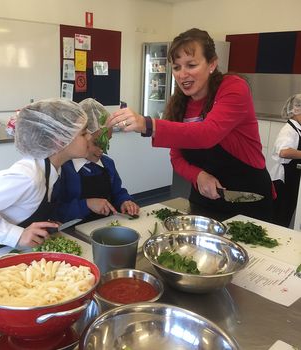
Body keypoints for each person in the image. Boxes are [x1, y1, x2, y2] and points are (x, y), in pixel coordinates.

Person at [107, 28, 274, 222]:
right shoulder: (180, 104)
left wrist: (147, 124)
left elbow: (207, 133)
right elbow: (176, 158)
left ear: (212, 64)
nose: (182, 74)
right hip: (204, 199)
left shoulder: (233, 87)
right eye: (177, 67)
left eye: (191, 65)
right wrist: (198, 175)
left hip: (248, 199)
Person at [0, 99, 90, 257]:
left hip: (13, 252)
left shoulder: (53, 169)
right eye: (84, 133)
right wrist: (17, 235)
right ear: (59, 140)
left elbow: (25, 209)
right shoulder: (28, 176)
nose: (89, 138)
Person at [52, 98, 139, 223]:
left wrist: (125, 201)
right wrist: (86, 204)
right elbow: (56, 212)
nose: (101, 150)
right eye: (96, 143)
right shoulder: (63, 168)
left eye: (107, 141)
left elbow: (118, 192)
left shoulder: (107, 164)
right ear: (81, 136)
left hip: (106, 227)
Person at [269, 94, 301, 227]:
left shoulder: (298, 129)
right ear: (295, 111)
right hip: (283, 181)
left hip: (292, 180)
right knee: (279, 218)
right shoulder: (289, 130)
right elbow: (284, 152)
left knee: (285, 216)